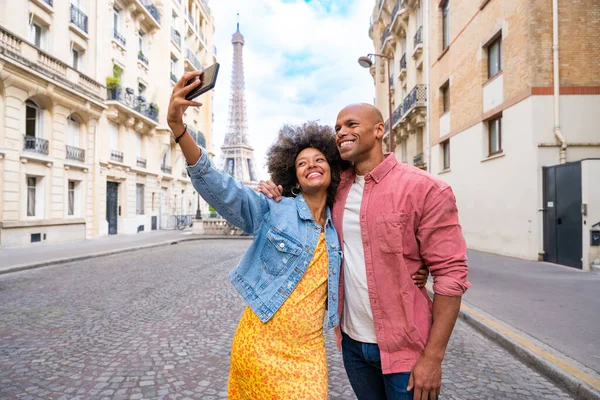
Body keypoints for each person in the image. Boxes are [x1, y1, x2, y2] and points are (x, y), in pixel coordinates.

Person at [167, 73, 431, 398]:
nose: (311, 165)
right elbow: (224, 190)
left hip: (308, 351)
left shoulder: (341, 222)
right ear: (293, 175)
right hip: (259, 343)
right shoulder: (273, 208)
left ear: (333, 169)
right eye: (302, 163)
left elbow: (384, 241)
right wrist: (179, 129)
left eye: (320, 159)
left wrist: (420, 268)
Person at [258, 103, 470, 400]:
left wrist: (433, 357)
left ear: (379, 130)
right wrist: (276, 191)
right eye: (337, 128)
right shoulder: (335, 189)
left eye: (351, 124)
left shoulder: (425, 189)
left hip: (406, 349)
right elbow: (304, 205)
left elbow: (451, 275)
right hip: (352, 346)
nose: (342, 132)